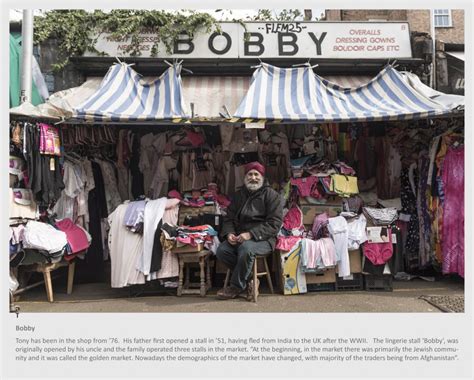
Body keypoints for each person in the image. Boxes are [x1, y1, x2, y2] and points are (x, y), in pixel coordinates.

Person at [216, 161, 283, 300]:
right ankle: (250, 281)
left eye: (256, 174)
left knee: (246, 249)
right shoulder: (239, 195)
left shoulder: (272, 195)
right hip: (241, 237)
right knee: (222, 250)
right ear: (245, 177)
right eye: (250, 174)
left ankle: (236, 286)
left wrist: (251, 234)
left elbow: (274, 223)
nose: (253, 178)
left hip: (264, 239)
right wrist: (230, 234)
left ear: (262, 177)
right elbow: (229, 218)